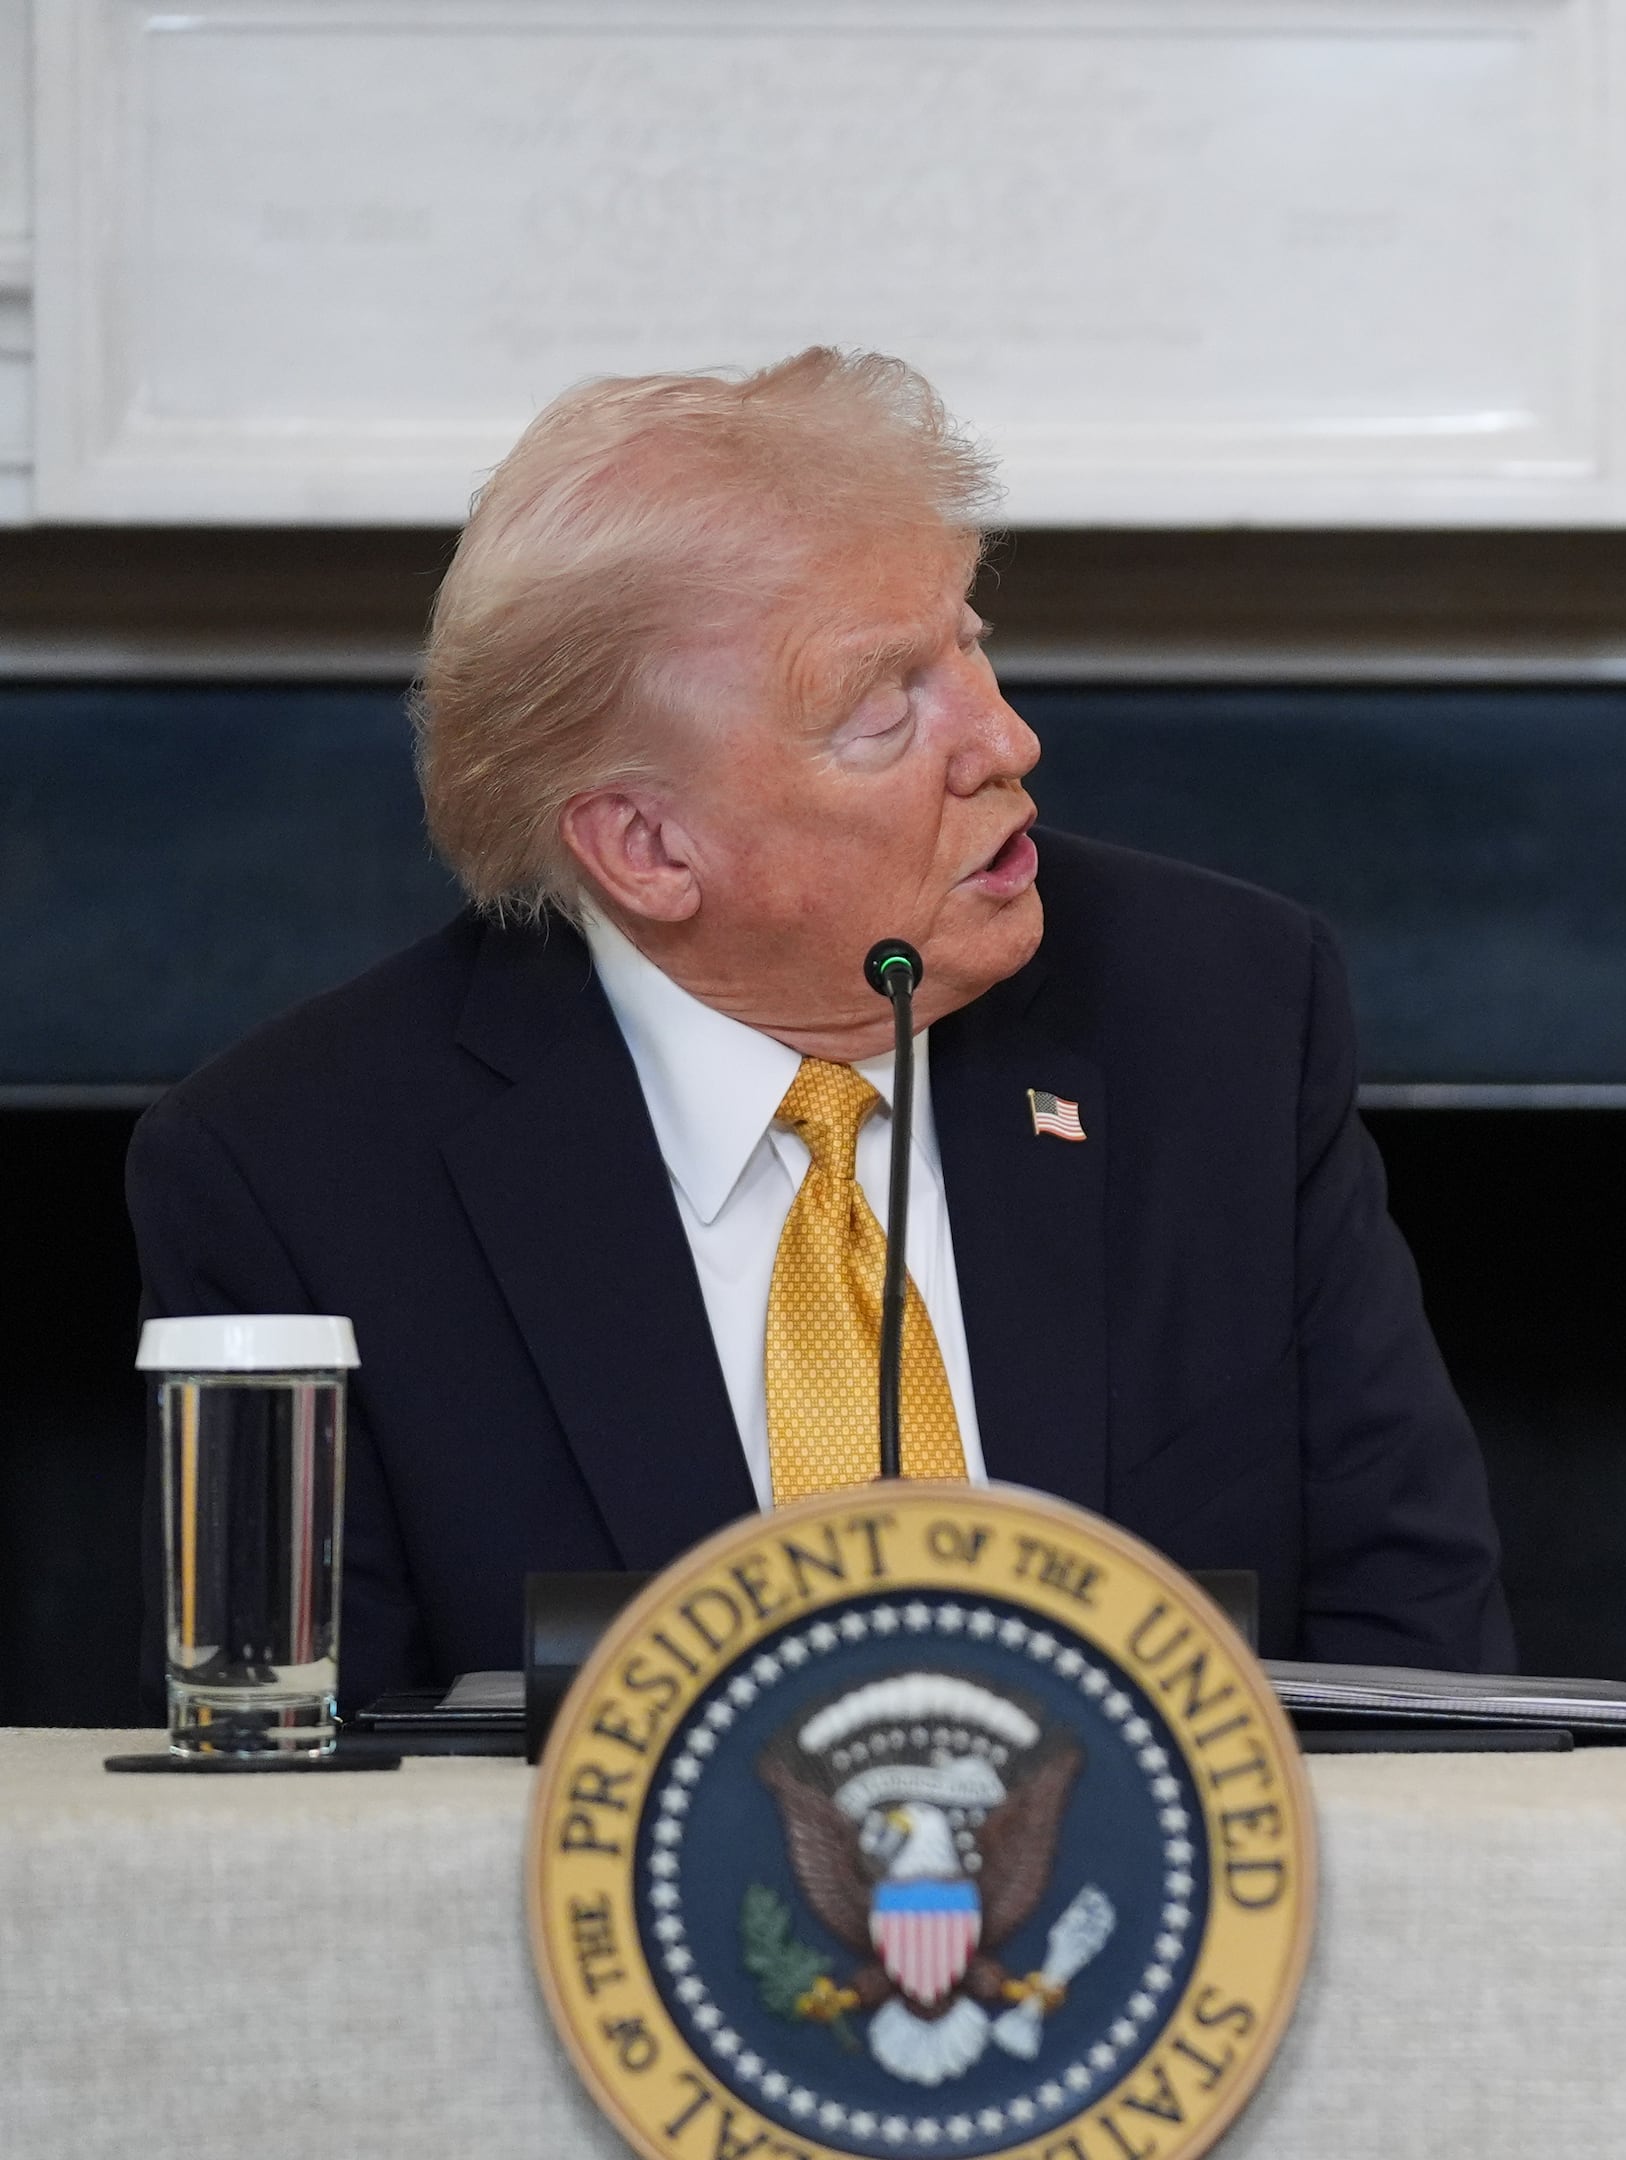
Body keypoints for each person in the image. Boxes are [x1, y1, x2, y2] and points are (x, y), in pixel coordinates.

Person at [128, 350, 1512, 1702]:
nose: (1005, 739)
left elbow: (1417, 1660)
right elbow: (302, 1783)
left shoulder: (1215, 1010)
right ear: (648, 847)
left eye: (969, 645)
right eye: (882, 707)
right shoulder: (297, 1171)